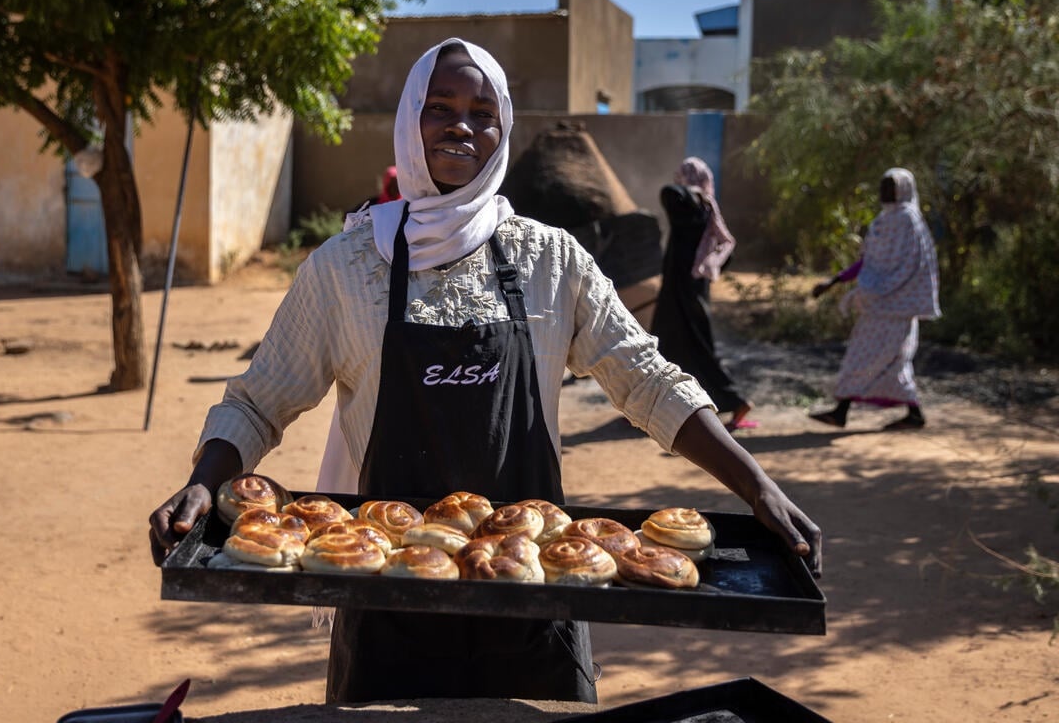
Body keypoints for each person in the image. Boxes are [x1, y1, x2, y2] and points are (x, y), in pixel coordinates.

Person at [149, 38, 821, 704]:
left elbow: (646, 379)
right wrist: (204, 483)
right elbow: (260, 400)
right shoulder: (346, 267)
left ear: (503, 132)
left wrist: (755, 485)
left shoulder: (551, 262)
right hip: (386, 599)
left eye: (482, 111)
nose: (461, 125)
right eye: (439, 106)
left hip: (534, 593)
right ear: (411, 120)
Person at [809, 167, 941, 431]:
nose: (884, 191)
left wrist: (885, 288)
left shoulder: (908, 221)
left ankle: (843, 411)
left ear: (903, 189)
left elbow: (912, 266)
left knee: (882, 359)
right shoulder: (883, 220)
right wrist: (834, 281)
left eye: (890, 186)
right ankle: (907, 413)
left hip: (898, 306)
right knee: (880, 360)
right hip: (876, 305)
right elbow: (868, 262)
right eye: (883, 185)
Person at [649, 157, 754, 431]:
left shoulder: (696, 204)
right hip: (678, 288)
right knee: (668, 344)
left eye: (682, 174)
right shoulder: (695, 204)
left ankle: (735, 400)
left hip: (688, 288)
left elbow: (669, 193)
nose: (676, 179)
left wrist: (693, 192)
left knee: (699, 347)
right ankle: (664, 405)